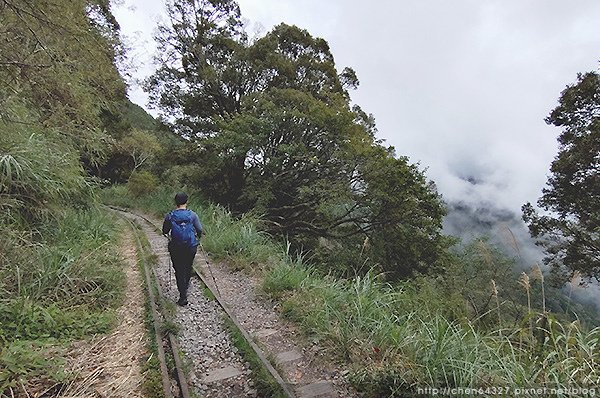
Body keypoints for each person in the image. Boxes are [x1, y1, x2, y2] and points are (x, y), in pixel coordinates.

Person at [162, 192, 203, 306]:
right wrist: (198, 238)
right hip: (190, 246)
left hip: (176, 247)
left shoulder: (170, 216)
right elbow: (199, 230)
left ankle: (183, 295)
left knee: (179, 269)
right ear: (186, 201)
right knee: (188, 267)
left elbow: (165, 231)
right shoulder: (192, 215)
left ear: (175, 202)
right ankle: (185, 289)